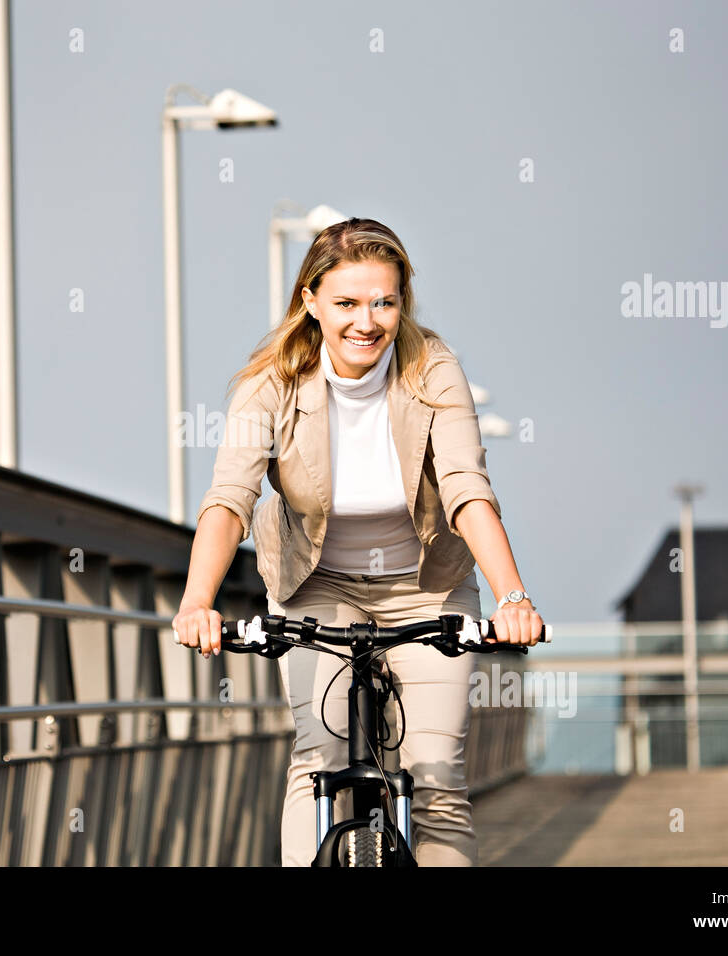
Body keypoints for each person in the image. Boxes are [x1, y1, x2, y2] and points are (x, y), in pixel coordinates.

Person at [173, 217, 543, 867]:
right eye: (346, 302)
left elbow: (466, 490)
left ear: (404, 303)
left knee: (436, 781)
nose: (366, 322)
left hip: (426, 587)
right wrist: (198, 602)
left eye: (384, 302)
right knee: (317, 762)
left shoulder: (432, 368)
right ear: (311, 302)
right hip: (318, 587)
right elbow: (230, 499)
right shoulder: (271, 384)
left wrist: (513, 597)